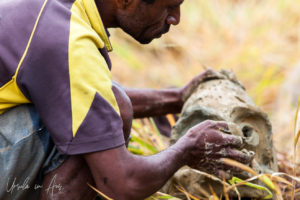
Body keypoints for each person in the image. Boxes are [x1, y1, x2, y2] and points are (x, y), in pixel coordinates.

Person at [0, 0, 253, 199]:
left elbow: (82, 92)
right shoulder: (68, 42)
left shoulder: (59, 13)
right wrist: (187, 149)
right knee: (95, 130)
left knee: (98, 113)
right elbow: (122, 184)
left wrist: (177, 98)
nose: (175, 18)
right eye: (169, 6)